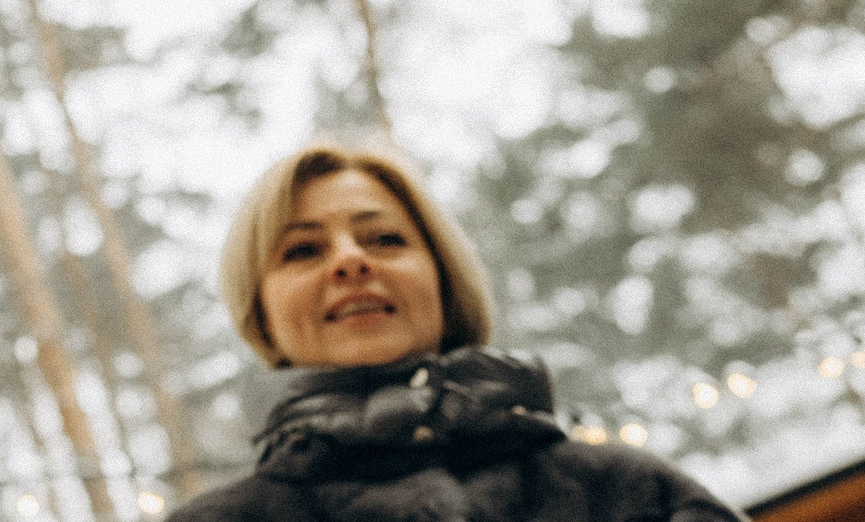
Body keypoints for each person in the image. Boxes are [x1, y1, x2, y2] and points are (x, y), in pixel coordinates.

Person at [176, 141, 741, 522]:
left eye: (385, 239)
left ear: (445, 281)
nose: (349, 261)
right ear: (261, 316)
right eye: (303, 250)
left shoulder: (628, 491)